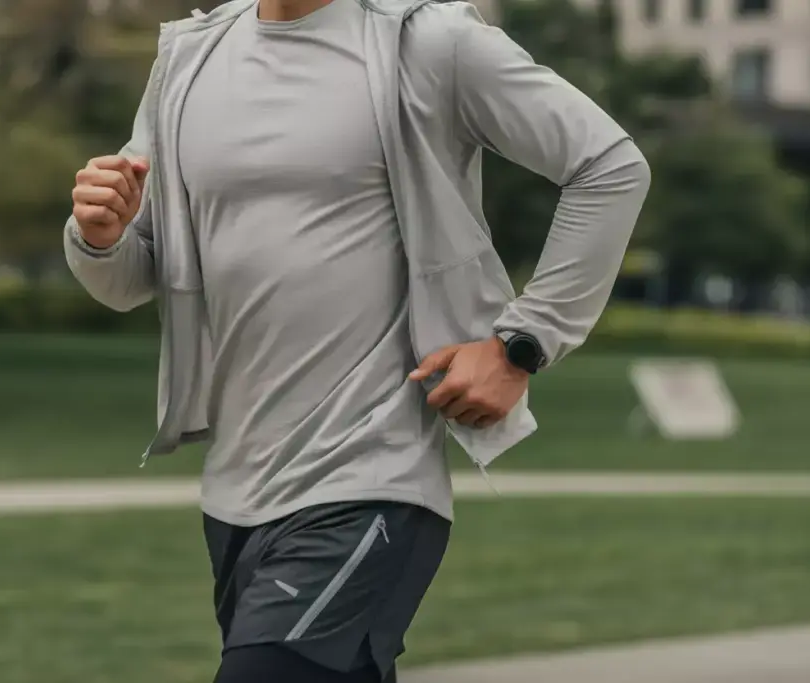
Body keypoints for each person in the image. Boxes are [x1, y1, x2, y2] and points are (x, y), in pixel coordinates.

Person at [64, 0, 651, 681]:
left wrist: (521, 344)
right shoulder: (189, 59)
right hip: (235, 494)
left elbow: (610, 166)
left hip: (371, 476)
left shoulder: (429, 43)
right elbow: (134, 274)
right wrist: (98, 236)